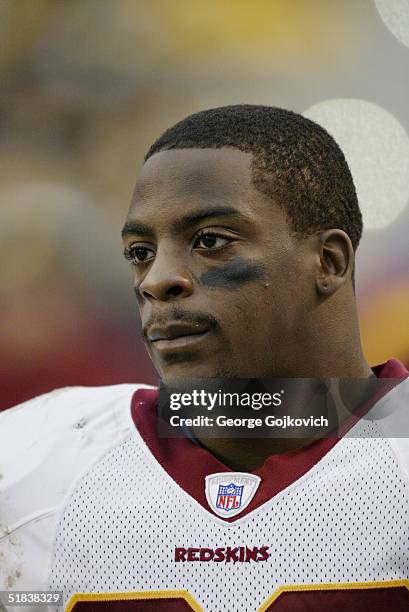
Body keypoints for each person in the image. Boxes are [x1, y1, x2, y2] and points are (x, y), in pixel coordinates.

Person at [0, 105, 408, 612]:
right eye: (140, 252)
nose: (155, 280)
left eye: (210, 241)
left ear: (328, 262)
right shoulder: (28, 468)